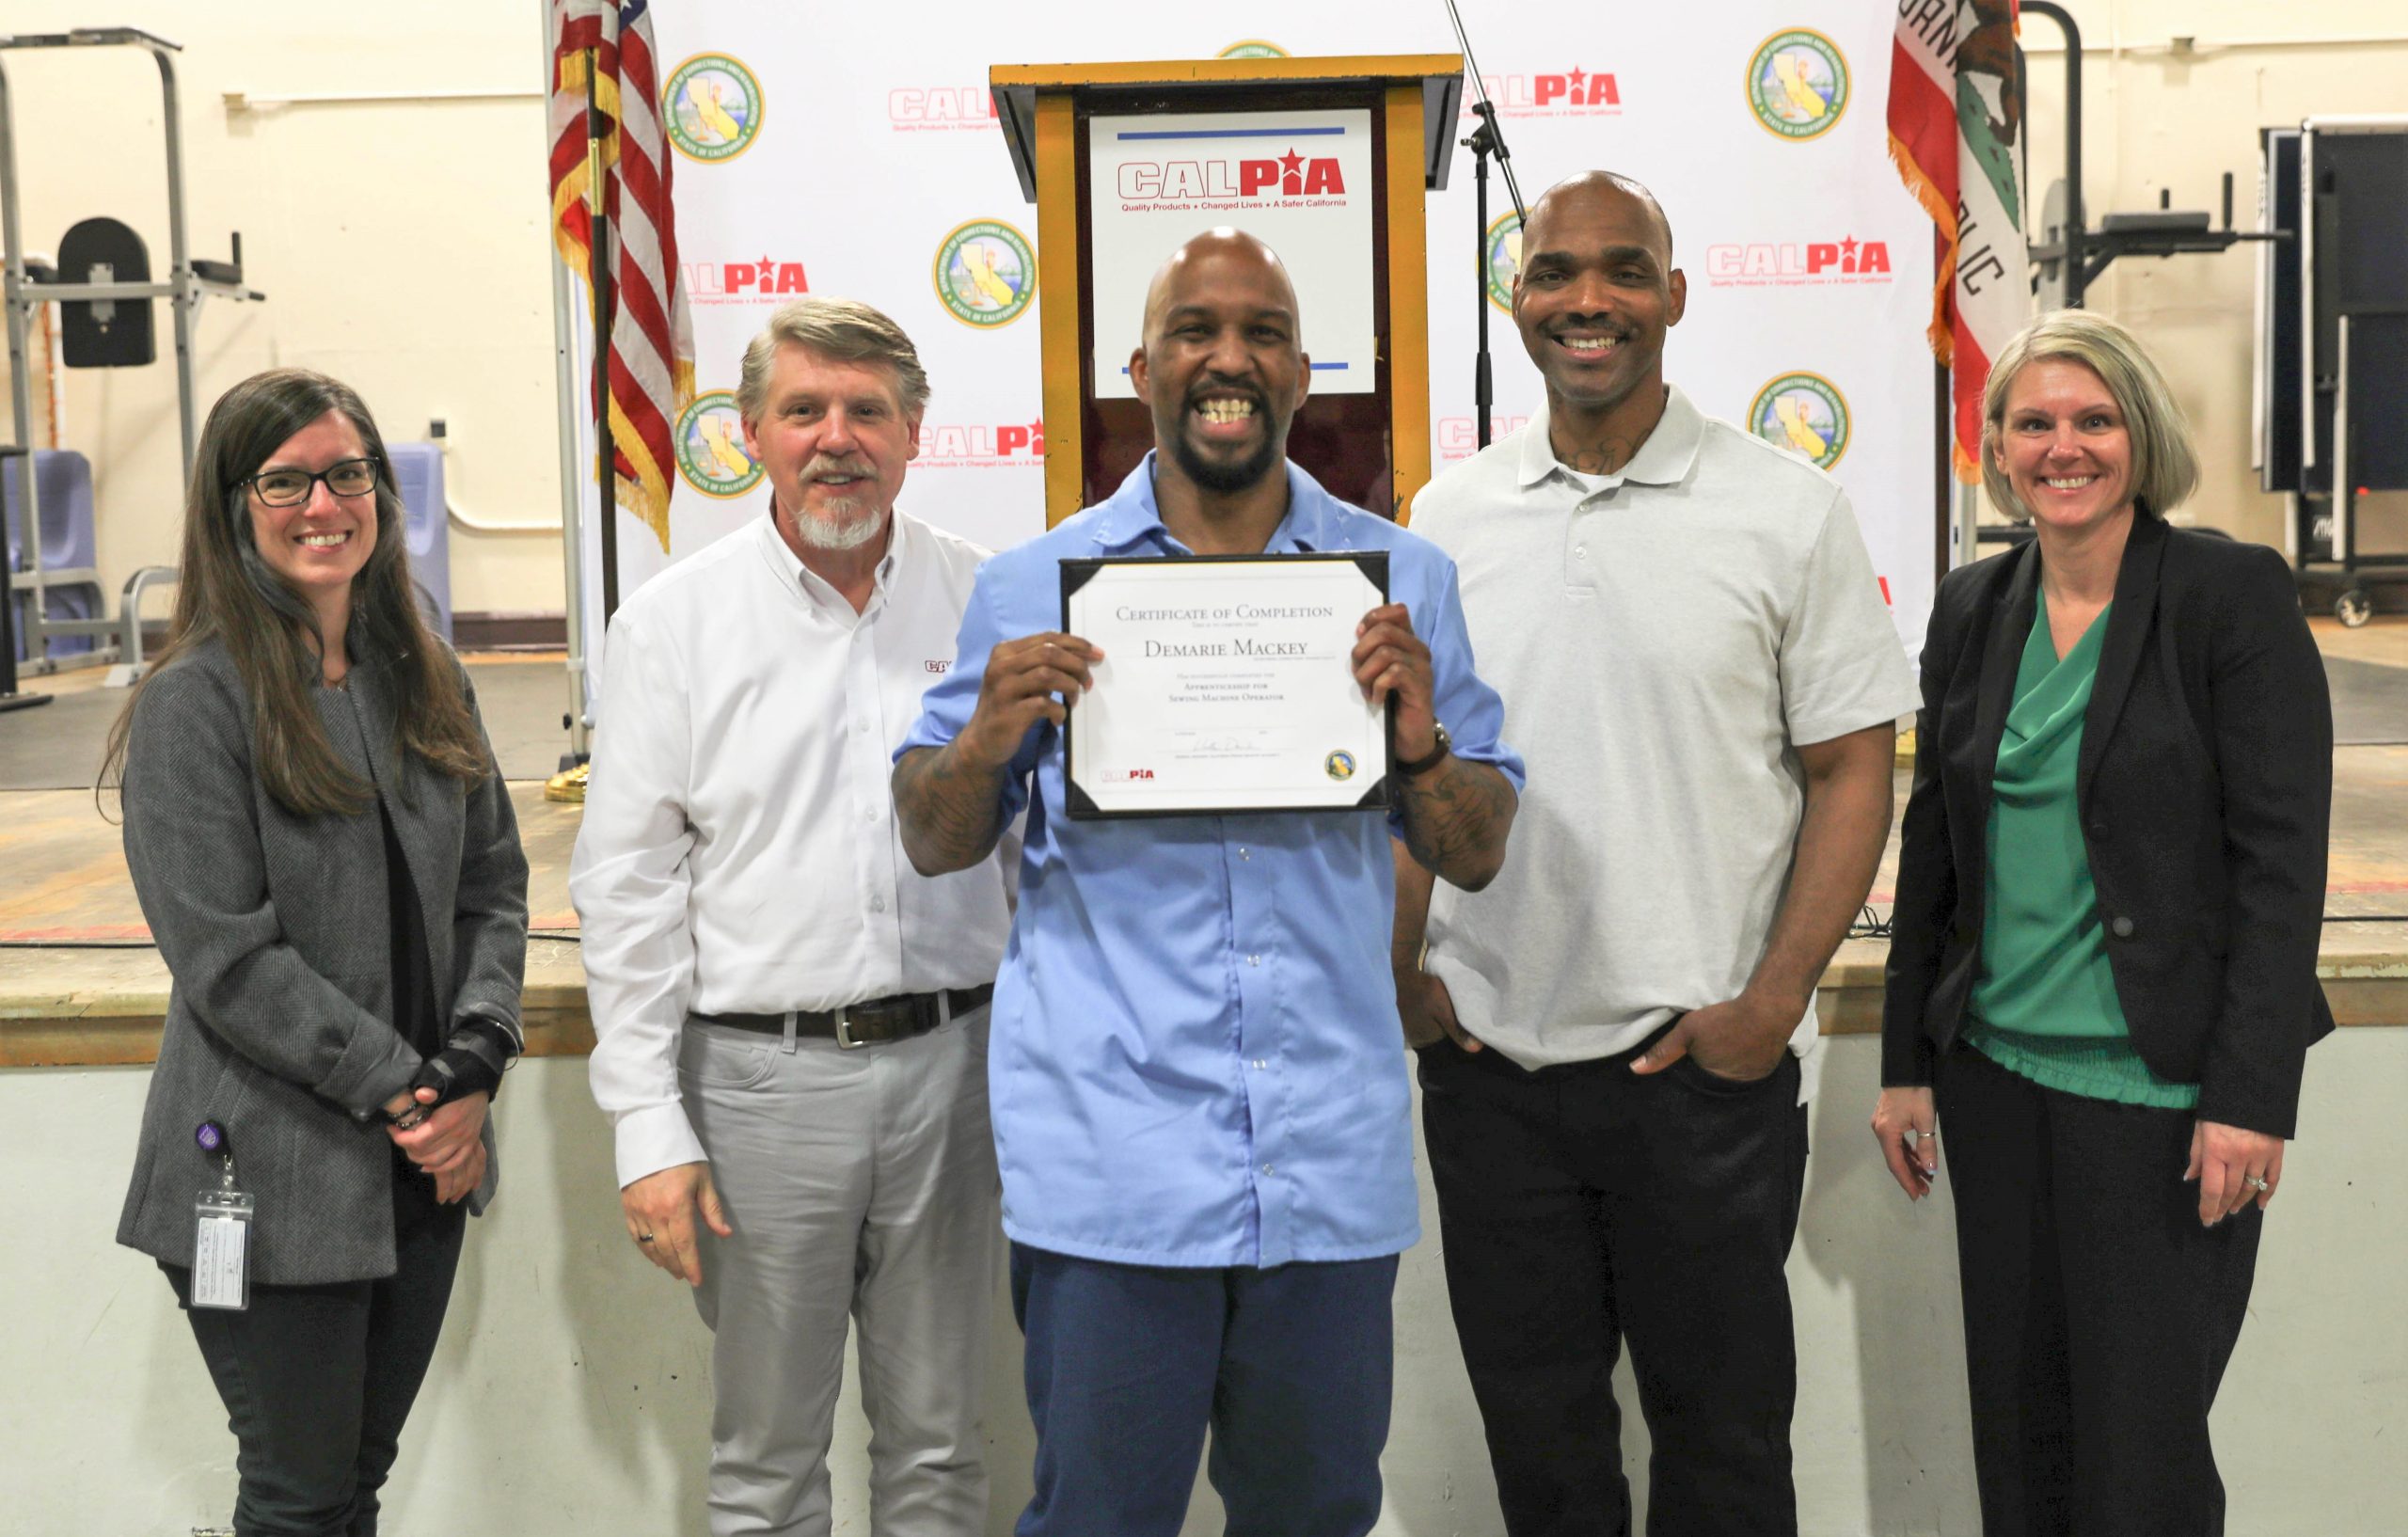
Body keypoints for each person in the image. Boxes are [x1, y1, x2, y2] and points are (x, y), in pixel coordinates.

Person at [893, 228, 1523, 1537]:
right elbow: (935, 836)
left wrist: (1419, 744)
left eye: (1262, 333)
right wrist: (986, 734)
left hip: (1322, 1171)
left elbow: (1477, 843)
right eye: (1194, 330)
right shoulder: (1033, 588)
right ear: (1142, 366)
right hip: (1114, 1170)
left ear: (1303, 373)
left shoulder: (1400, 583)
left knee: (1315, 1516)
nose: (1226, 357)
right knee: (1098, 1518)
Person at [1396, 170, 1918, 1536]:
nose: (1589, 301)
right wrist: (1403, 973)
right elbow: (1408, 763)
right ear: (1519, 302)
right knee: (1543, 1448)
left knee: (1726, 1451)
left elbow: (1853, 764)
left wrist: (1773, 1001)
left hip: (1706, 1074)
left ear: (1674, 297)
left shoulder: (1785, 507)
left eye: (1623, 271)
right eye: (1556, 273)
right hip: (1493, 1069)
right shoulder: (1443, 519)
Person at [1874, 309, 2334, 1534]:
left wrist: (2251, 1096)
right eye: (2035, 422)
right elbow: (1936, 846)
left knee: (2144, 1465)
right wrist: (1904, 1066)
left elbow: (2282, 868)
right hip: (1996, 1083)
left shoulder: (2228, 596)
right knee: (2020, 1445)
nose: (2062, 446)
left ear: (2141, 435)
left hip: (2167, 1103)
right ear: (1999, 444)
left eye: (2092, 419)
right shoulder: (1975, 604)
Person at [573, 296, 1011, 1537]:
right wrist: (647, 1127)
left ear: (914, 432)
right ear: (753, 433)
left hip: (958, 1073)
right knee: (765, 1465)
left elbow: (1036, 855)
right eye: (804, 410)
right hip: (759, 1091)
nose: (837, 438)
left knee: (938, 1451)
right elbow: (628, 890)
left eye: (867, 410)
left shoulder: (988, 601)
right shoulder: (673, 623)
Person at [107, 367, 530, 1537]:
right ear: (233, 505)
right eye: (284, 480)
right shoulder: (195, 703)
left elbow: (492, 882)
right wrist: (417, 1089)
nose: (321, 503)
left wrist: (480, 1053)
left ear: (380, 495)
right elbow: (230, 961)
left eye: (346, 474)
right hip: (269, 1170)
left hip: (422, 1161)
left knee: (352, 1492)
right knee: (298, 1502)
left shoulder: (424, 677)